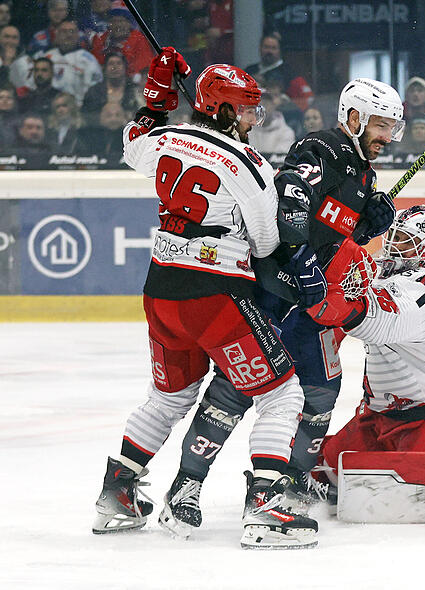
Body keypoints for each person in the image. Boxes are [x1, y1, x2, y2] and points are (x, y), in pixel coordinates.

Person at [92, 48, 320, 550]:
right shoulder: (247, 163)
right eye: (243, 109)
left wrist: (157, 94)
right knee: (282, 393)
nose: (251, 119)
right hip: (216, 297)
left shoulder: (164, 138)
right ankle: (266, 507)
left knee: (169, 397)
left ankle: (117, 497)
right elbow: (264, 243)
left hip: (160, 291)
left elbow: (133, 144)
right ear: (220, 109)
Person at [155, 76, 401, 539]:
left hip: (312, 300)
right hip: (272, 290)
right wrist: (302, 261)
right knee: (235, 388)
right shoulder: (321, 148)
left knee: (320, 392)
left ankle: (284, 486)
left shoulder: (364, 174)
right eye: (381, 126)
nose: (388, 137)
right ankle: (185, 487)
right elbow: (290, 204)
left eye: (393, 127)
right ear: (354, 118)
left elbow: (335, 228)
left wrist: (368, 222)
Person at [308, 204, 425, 475]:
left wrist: (335, 302)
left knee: (416, 478)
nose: (394, 247)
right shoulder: (386, 272)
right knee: (324, 470)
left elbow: (375, 324)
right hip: (381, 415)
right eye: (393, 237)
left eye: (406, 242)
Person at [36, 20, 102, 106]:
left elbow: (95, 88)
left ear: (78, 35)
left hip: (78, 109)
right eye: (64, 32)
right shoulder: (47, 56)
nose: (68, 35)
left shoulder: (88, 60)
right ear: (57, 35)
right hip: (49, 106)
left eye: (72, 31)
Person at [89, 8, 152, 77]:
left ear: (129, 24)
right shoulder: (101, 39)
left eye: (121, 21)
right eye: (114, 21)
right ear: (109, 25)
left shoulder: (138, 39)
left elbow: (142, 68)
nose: (118, 25)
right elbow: (95, 65)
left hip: (130, 82)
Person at [81, 51, 140, 116]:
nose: (114, 67)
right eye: (111, 64)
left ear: (125, 68)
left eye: (119, 63)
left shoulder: (135, 90)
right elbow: (86, 116)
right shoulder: (94, 91)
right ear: (105, 69)